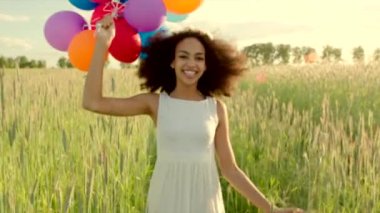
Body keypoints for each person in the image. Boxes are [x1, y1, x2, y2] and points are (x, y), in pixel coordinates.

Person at [83, 15, 304, 213]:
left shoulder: (215, 108)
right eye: (184, 56)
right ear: (172, 62)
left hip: (205, 201)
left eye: (199, 58)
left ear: (207, 65)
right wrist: (103, 44)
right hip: (166, 200)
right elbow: (93, 103)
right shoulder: (155, 103)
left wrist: (271, 209)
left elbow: (230, 169)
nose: (191, 64)